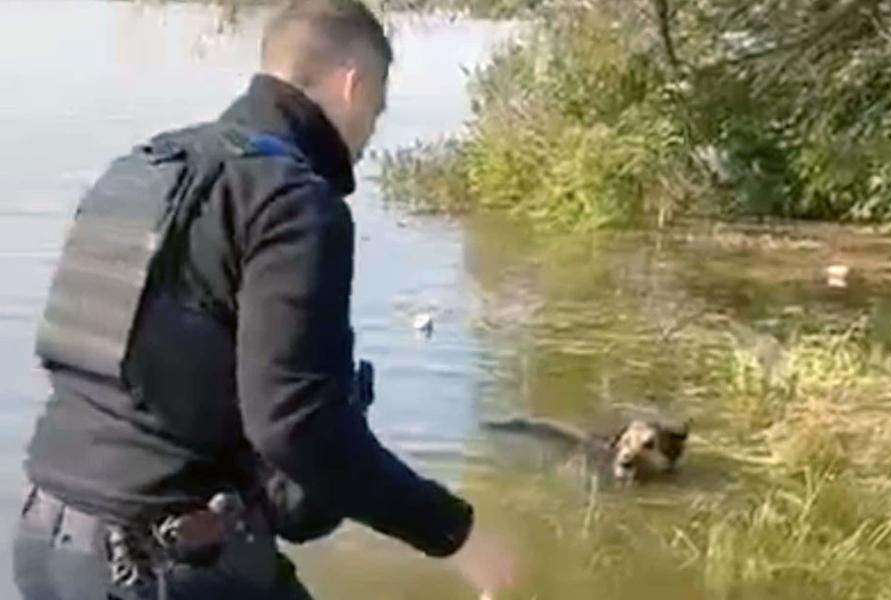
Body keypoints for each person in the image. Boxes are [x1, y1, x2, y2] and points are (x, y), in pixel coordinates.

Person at [13, 1, 515, 598]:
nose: (366, 143)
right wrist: (454, 534)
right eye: (375, 115)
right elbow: (298, 427)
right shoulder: (294, 201)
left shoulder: (143, 168)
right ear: (353, 85)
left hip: (43, 543)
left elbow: (117, 370)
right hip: (162, 567)